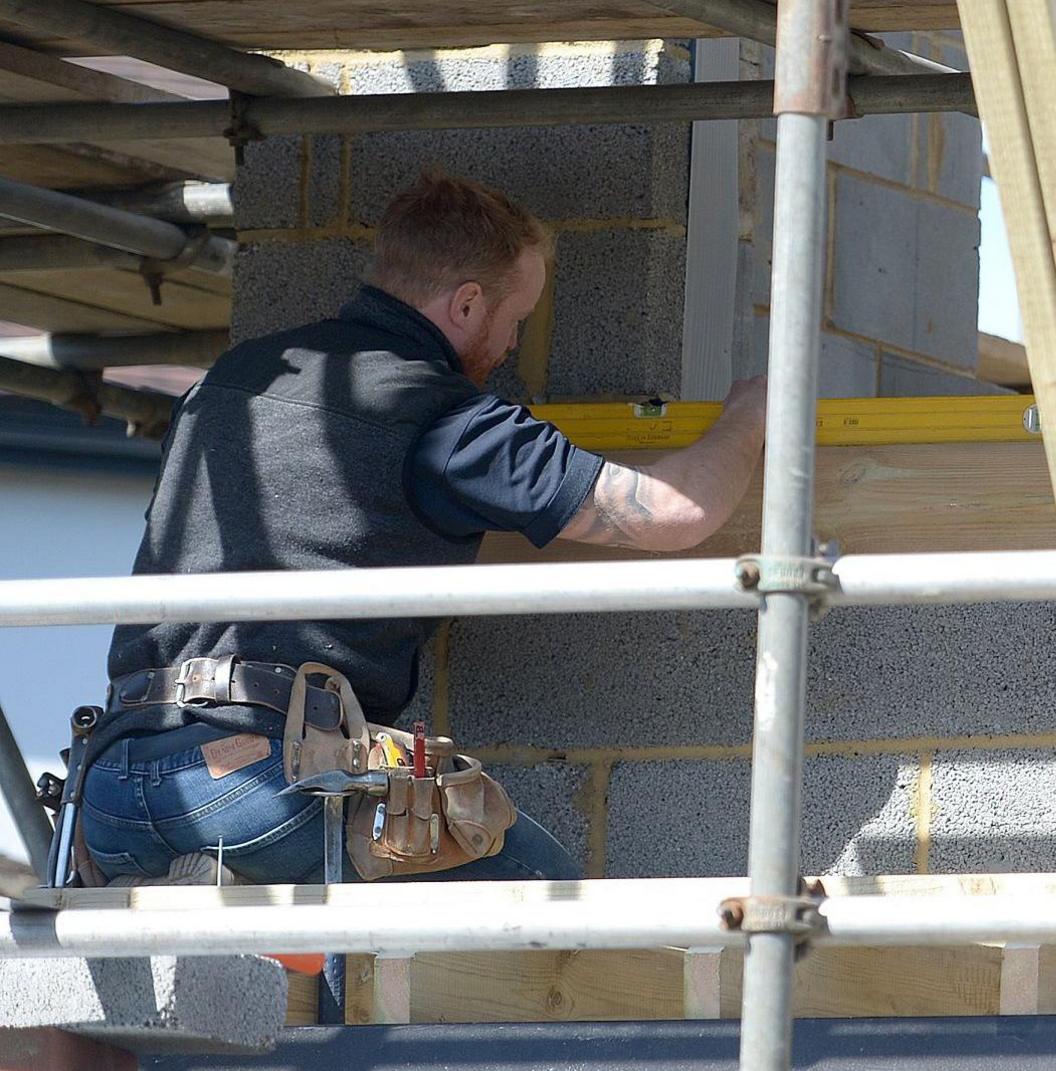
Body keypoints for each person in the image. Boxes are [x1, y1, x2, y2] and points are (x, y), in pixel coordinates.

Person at [78, 169, 767, 886]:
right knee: (551, 904)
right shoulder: (446, 421)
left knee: (322, 949)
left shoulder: (230, 376)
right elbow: (677, 511)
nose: (510, 341)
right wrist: (751, 415)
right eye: (516, 317)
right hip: (255, 787)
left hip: (113, 790)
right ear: (468, 303)